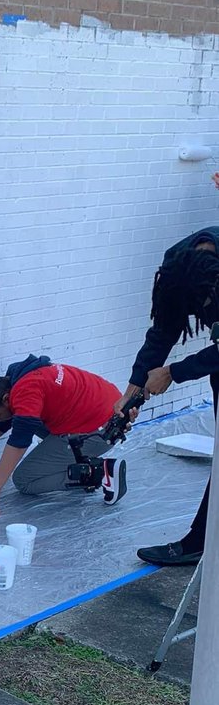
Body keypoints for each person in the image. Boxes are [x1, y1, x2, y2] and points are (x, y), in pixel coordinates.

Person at [115, 226, 219, 566]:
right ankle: (200, 542)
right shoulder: (176, 269)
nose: (202, 311)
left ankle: (197, 542)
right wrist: (130, 393)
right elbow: (162, 332)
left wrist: (174, 373)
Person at [0, 355, 127, 518]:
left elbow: (18, 443)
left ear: (6, 399)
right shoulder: (18, 377)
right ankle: (79, 459)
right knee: (26, 421)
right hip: (111, 409)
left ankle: (99, 473)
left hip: (103, 429)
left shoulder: (26, 392)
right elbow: (4, 423)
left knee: (24, 480)